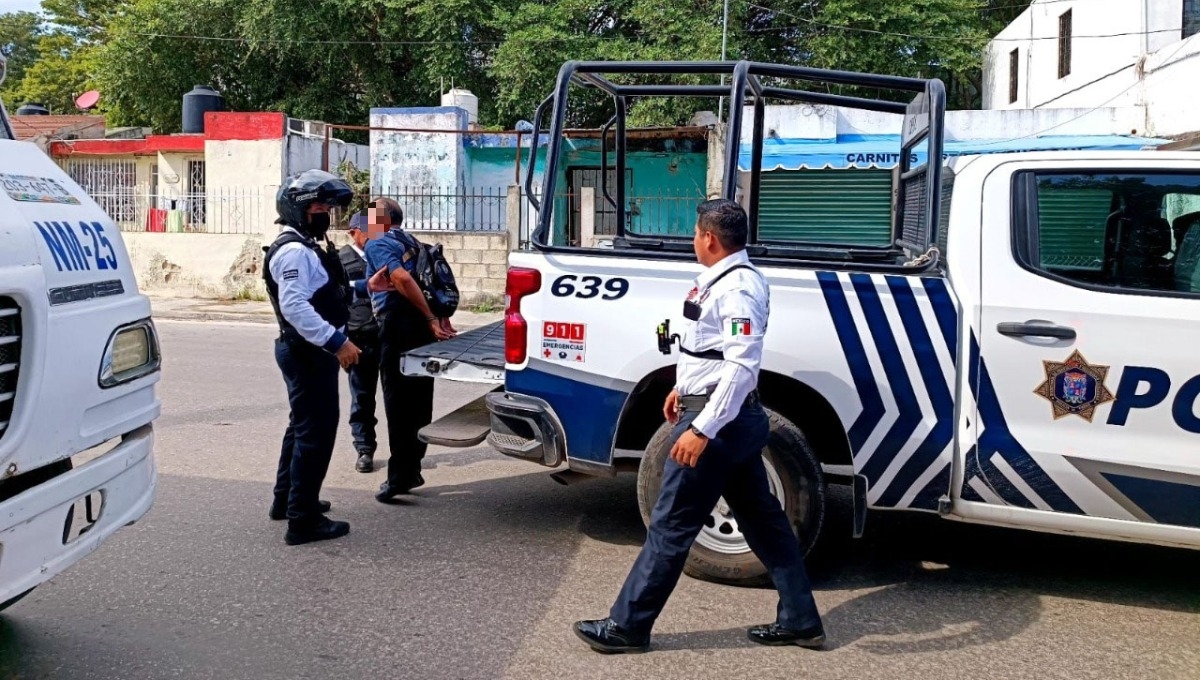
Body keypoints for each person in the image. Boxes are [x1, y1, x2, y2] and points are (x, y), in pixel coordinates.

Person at [572, 199, 825, 653]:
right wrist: (681, 388)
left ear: (709, 238)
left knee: (671, 525)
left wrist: (702, 427)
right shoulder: (724, 281)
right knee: (765, 524)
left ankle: (626, 627)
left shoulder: (737, 289)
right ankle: (801, 620)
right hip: (726, 415)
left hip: (722, 424)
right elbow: (706, 350)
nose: (692, 240)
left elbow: (742, 366)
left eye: (695, 233)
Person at [263, 169, 365, 546]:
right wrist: (337, 342)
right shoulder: (293, 251)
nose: (327, 213)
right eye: (320, 206)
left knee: (301, 426)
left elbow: (325, 293)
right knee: (316, 433)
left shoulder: (306, 247)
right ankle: (302, 520)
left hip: (306, 350)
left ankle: (287, 501)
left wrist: (365, 287)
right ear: (300, 209)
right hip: (308, 351)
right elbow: (295, 306)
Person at [361, 197, 457, 503]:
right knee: (419, 400)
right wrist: (434, 317)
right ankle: (412, 467)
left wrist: (430, 316)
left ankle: (400, 477)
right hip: (420, 328)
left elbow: (400, 278)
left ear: (381, 220)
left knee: (398, 404)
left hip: (400, 326)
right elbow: (432, 281)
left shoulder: (379, 242)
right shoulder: (413, 242)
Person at [338, 212, 384, 473]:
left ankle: (405, 454)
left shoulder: (385, 254)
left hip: (387, 334)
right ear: (353, 231)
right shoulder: (340, 260)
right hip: (359, 337)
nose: (373, 234)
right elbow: (332, 300)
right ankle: (364, 449)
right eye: (368, 229)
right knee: (362, 398)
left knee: (396, 398)